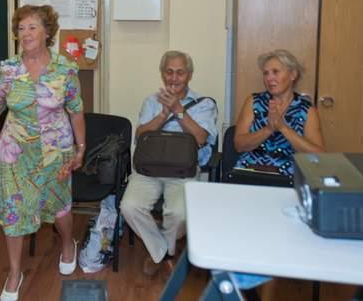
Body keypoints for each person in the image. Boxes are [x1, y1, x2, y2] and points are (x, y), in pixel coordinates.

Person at [0, 4, 86, 301]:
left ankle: (67, 243)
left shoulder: (65, 69)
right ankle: (15, 273)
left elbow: (76, 111)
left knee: (59, 208)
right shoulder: (8, 70)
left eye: (32, 27)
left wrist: (81, 147)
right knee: (13, 211)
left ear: (47, 32)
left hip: (55, 152)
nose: (26, 33)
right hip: (15, 152)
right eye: (21, 28)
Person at [120, 50, 218, 277]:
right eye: (169, 72)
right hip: (150, 168)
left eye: (180, 73)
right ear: (162, 74)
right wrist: (163, 114)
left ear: (189, 75)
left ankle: (162, 250)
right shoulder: (151, 101)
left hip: (183, 170)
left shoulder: (204, 104)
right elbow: (140, 136)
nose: (174, 78)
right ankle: (164, 253)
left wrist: (178, 111)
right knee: (129, 206)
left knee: (179, 213)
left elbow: (202, 139)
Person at [233, 49, 325, 178]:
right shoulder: (254, 102)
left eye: (275, 72)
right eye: (265, 73)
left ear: (293, 75)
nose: (269, 78)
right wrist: (268, 129)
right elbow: (239, 145)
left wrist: (283, 128)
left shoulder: (306, 109)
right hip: (250, 172)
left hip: (289, 177)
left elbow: (319, 155)